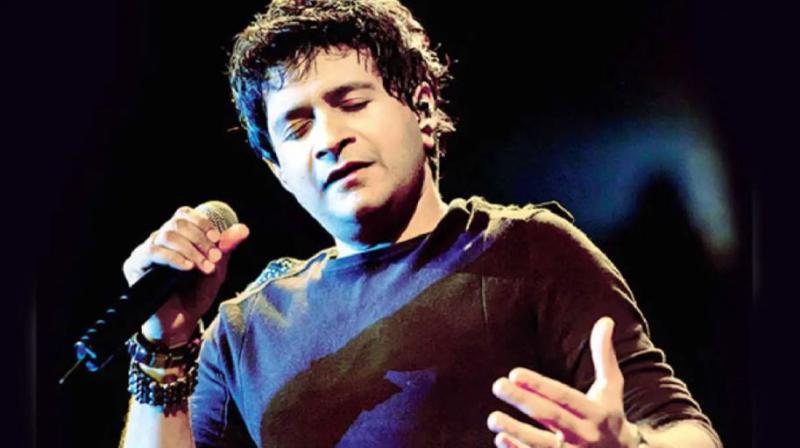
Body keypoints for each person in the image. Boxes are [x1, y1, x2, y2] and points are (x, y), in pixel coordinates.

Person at [119, 1, 722, 447]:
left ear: (424, 109)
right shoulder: (246, 329)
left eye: (352, 103)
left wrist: (629, 446)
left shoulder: (530, 252)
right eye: (297, 128)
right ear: (278, 171)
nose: (329, 139)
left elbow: (686, 432)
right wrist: (163, 345)